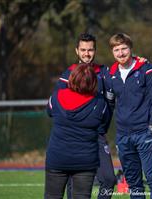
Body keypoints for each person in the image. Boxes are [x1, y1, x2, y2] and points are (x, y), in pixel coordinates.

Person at [56, 33, 117, 199]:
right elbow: (56, 105)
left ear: (95, 50)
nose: (87, 53)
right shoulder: (68, 74)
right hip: (73, 138)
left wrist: (138, 62)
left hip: (96, 137)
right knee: (75, 184)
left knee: (109, 179)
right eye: (83, 50)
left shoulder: (104, 73)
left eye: (90, 50)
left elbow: (112, 102)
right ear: (77, 51)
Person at [105, 33, 152, 199]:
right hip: (123, 137)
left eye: (124, 48)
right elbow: (109, 104)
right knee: (133, 183)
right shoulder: (110, 75)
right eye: (116, 50)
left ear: (131, 48)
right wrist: (102, 129)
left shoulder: (147, 69)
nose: (121, 53)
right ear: (112, 52)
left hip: (145, 133)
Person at [44, 63, 110, 199]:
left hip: (57, 158)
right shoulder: (100, 103)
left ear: (72, 79)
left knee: (52, 196)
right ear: (93, 82)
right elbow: (103, 123)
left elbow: (49, 112)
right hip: (85, 161)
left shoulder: (56, 97)